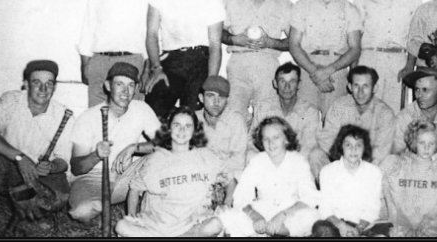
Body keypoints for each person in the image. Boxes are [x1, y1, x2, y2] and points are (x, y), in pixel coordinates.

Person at [0, 60, 75, 231]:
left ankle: (26, 216)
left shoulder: (64, 115)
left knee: (60, 196)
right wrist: (19, 157)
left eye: (49, 84)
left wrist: (51, 167)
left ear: (54, 88)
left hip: (38, 175)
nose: (43, 89)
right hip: (9, 164)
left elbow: (64, 162)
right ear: (26, 85)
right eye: (36, 83)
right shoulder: (10, 100)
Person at [68, 62, 161, 223]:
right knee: (81, 212)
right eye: (119, 84)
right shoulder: (88, 117)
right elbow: (77, 168)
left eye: (131, 85)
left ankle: (152, 207)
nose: (125, 91)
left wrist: (134, 148)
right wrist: (96, 155)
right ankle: (102, 204)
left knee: (162, 157)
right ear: (108, 86)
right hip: (92, 179)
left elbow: (166, 143)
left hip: (126, 178)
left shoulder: (141, 108)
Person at [114, 107, 227, 237]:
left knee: (215, 224)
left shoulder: (205, 156)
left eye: (188, 126)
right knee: (122, 226)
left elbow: (229, 179)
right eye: (176, 125)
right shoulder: (155, 159)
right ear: (169, 129)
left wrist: (227, 203)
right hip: (156, 227)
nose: (182, 130)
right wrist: (132, 216)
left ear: (195, 130)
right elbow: (134, 188)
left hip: (189, 226)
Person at [144, 0, 224, 116]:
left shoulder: (212, 0)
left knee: (193, 114)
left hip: (200, 62)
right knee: (155, 104)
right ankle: (161, 144)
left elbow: (216, 46)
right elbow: (151, 34)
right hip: (171, 61)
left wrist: (210, 82)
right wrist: (156, 68)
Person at [216, 116, 320, 237]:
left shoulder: (298, 161)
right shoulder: (257, 161)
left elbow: (310, 197)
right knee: (226, 216)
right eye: (266, 139)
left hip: (289, 214)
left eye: (276, 137)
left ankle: (279, 232)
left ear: (286, 139)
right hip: (262, 214)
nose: (271, 143)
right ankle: (270, 232)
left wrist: (282, 216)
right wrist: (256, 217)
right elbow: (241, 196)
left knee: (313, 216)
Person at [221, 0, 293, 121]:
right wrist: (234, 39)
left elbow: (294, 42)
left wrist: (271, 42)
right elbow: (218, 32)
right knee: (233, 115)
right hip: (239, 64)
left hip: (268, 66)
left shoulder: (285, 4)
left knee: (267, 118)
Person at [353, 0, 422, 113]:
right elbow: (355, 37)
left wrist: (409, 66)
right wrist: (354, 71)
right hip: (369, 60)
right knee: (366, 116)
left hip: (398, 64)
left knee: (393, 118)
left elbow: (415, 36)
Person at [289, 0, 362, 116]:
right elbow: (293, 45)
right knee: (305, 125)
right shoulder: (301, 6)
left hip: (336, 71)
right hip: (307, 69)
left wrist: (328, 71)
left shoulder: (350, 9)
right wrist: (315, 72)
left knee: (335, 127)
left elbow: (355, 48)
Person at [77, 0, 148, 107]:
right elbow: (87, 32)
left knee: (131, 116)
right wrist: (84, 66)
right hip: (100, 63)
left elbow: (150, 36)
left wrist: (147, 69)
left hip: (132, 62)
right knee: (97, 115)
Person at [380, 119, 437, 237]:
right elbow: (386, 195)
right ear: (414, 142)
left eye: (431, 144)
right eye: (422, 143)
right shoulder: (399, 165)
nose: (426, 148)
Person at [310, 66, 395, 177]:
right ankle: (329, 192)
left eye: (365, 86)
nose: (360, 92)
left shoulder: (385, 113)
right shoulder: (339, 105)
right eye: (356, 86)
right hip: (340, 161)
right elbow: (327, 138)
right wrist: (344, 162)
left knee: (390, 162)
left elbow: (381, 151)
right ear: (350, 87)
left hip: (369, 166)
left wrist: (358, 167)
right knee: (316, 154)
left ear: (375, 88)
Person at [249, 62, 322, 166]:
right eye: (282, 81)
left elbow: (308, 146)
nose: (287, 87)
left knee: (317, 155)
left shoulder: (310, 111)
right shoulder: (263, 108)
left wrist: (286, 166)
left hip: (297, 163)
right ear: (275, 83)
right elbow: (252, 141)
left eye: (292, 81)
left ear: (299, 84)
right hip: (268, 161)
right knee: (249, 155)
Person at [318, 125, 383, 237]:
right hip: (336, 225)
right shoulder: (327, 171)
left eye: (358, 145)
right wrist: (342, 226)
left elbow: (373, 208)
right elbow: (325, 208)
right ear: (341, 147)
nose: (354, 149)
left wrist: (358, 230)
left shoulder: (374, 172)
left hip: (364, 227)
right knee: (321, 229)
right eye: (348, 145)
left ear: (364, 148)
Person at [195, 75, 247, 204]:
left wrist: (221, 177)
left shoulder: (235, 120)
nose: (216, 102)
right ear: (201, 98)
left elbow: (238, 160)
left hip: (228, 175)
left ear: (227, 100)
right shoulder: (192, 120)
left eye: (221, 97)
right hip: (201, 176)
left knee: (241, 175)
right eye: (211, 96)